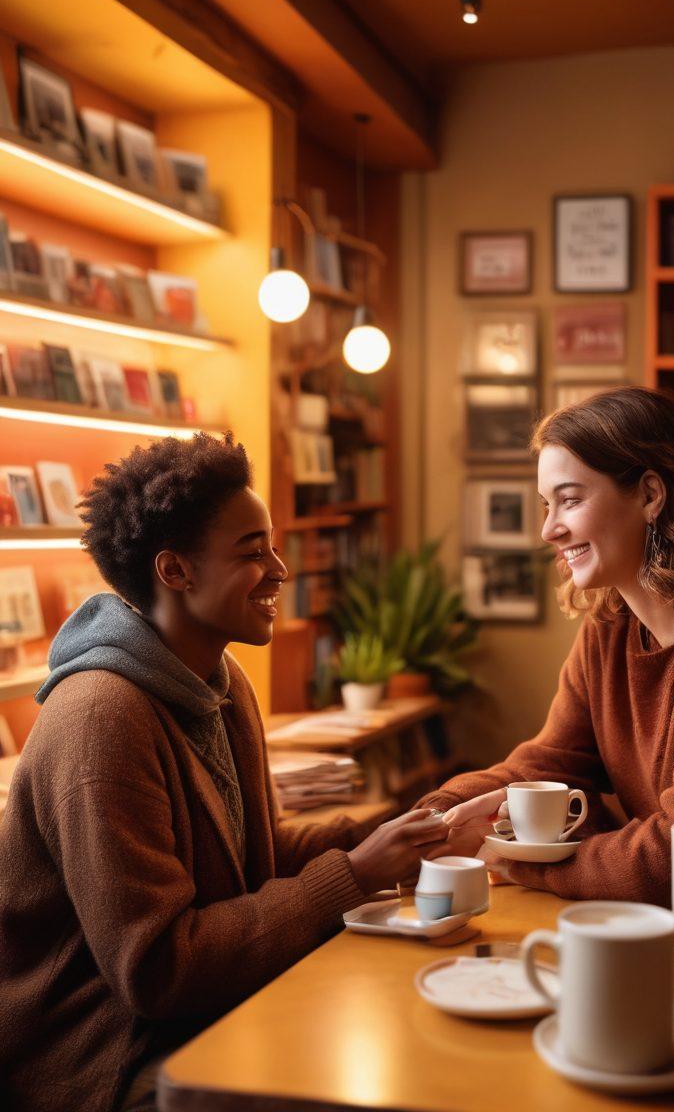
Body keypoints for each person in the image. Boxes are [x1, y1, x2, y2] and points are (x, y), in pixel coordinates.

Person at [0, 434, 449, 1112]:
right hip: (108, 1059)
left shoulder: (221, 681)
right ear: (175, 572)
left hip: (193, 1019)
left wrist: (412, 834)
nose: (279, 570)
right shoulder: (102, 719)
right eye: (251, 551)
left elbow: (258, 859)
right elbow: (159, 971)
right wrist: (356, 874)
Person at [420, 387, 674, 906]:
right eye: (547, 505)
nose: (549, 529)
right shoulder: (610, 622)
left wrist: (520, 860)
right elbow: (548, 765)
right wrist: (434, 817)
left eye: (569, 500)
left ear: (651, 494)